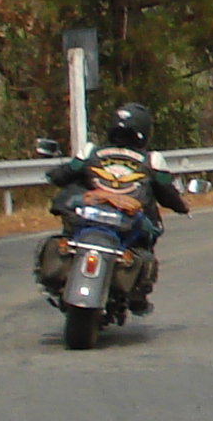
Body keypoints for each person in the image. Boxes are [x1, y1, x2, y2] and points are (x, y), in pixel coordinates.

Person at [38, 101, 191, 315]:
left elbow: (63, 174)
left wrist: (55, 175)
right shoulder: (151, 160)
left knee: (67, 232)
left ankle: (63, 276)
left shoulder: (90, 151)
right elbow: (167, 193)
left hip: (89, 215)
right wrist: (182, 206)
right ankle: (138, 295)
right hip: (126, 222)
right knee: (148, 239)